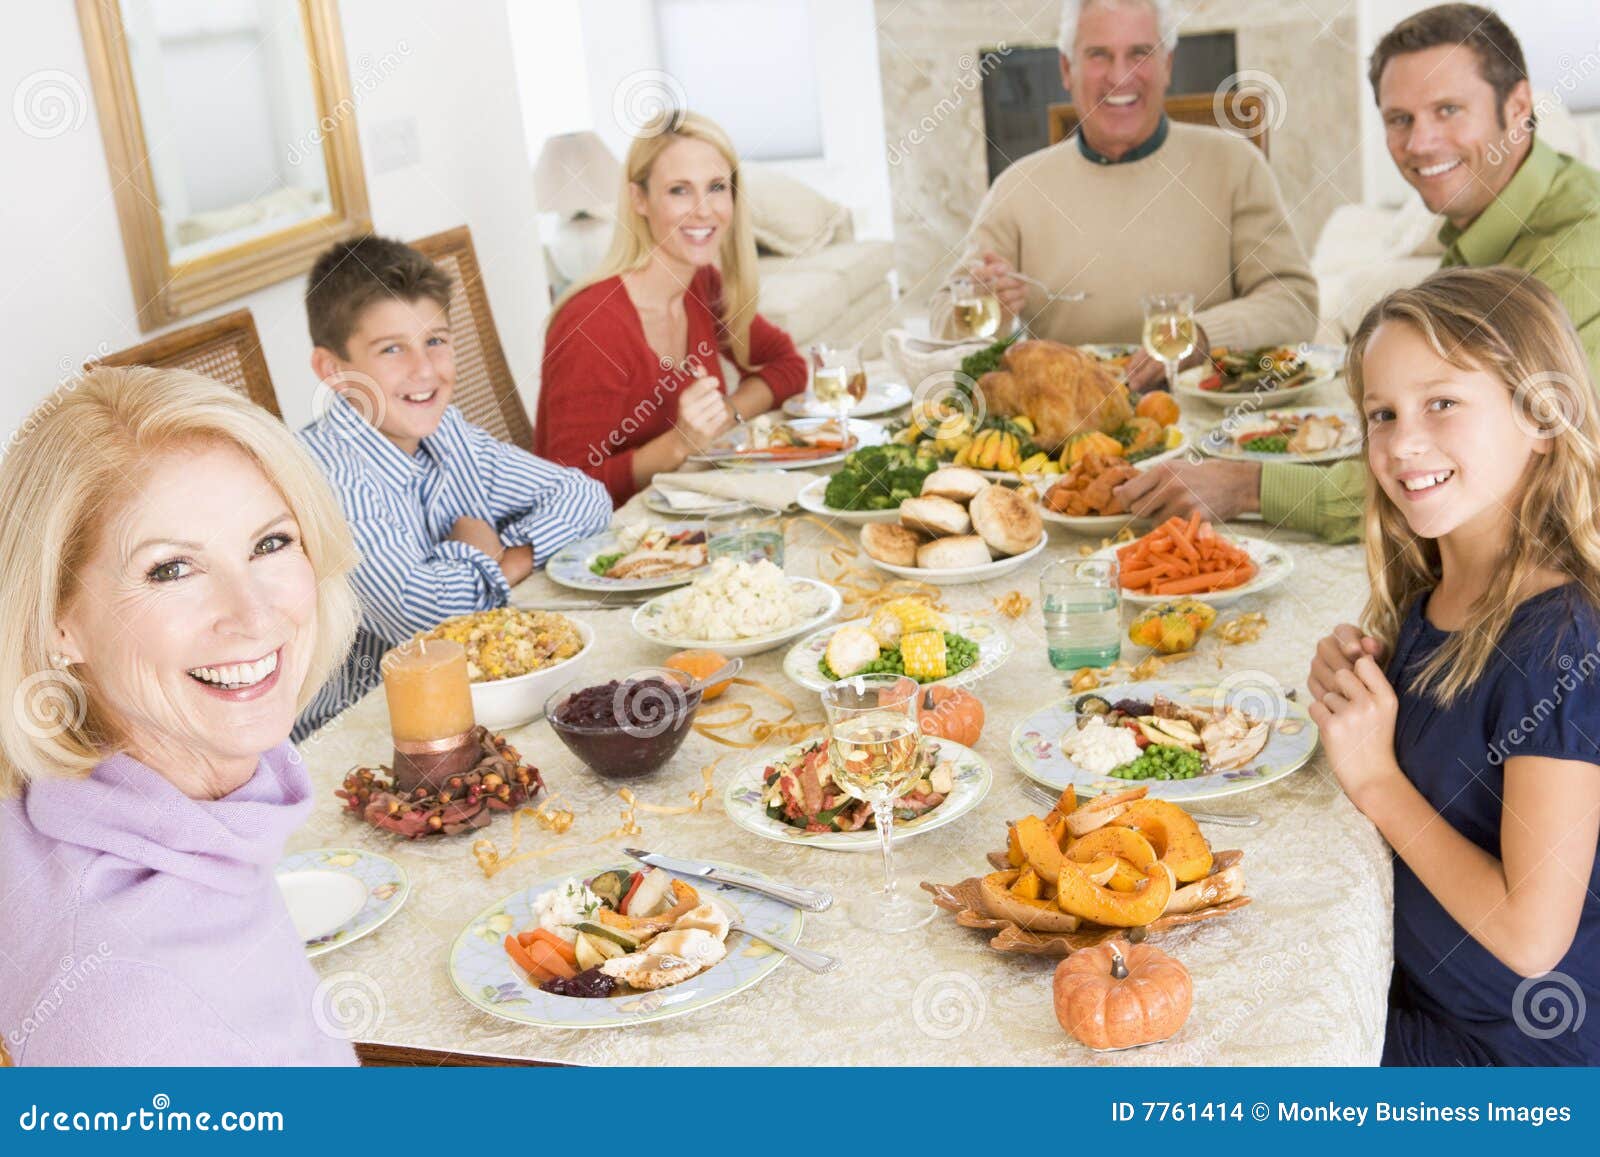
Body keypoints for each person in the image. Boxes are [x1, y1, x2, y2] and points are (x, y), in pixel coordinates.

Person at [1121, 3, 1600, 538]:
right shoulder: (1482, 225)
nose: (1420, 144)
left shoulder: (1575, 252)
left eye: (1448, 110)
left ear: (1517, 108)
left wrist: (1245, 487)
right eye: (1401, 119)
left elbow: (1490, 470)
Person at [0, 366, 364, 1065]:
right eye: (170, 569)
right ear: (57, 621)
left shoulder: (108, 810)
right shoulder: (136, 1006)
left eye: (270, 542)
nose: (255, 614)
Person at [1307, 267, 1600, 1066]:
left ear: (1542, 417)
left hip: (1511, 1067)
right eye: (1382, 413)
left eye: (1442, 403)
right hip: (1410, 988)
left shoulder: (1560, 644)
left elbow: (1532, 937)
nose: (1403, 442)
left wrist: (1377, 780)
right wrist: (1364, 693)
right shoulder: (1433, 594)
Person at [295, 236, 611, 739]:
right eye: (392, 349)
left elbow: (583, 497)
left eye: (436, 340)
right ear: (333, 371)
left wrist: (507, 557)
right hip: (359, 729)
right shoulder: (329, 479)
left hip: (472, 696)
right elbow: (425, 628)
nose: (424, 370)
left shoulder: (447, 431)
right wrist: (477, 554)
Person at [933, 0, 1317, 392]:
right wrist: (982, 309)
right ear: (1067, 69)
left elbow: (1294, 303)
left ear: (1167, 64)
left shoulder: (1236, 164)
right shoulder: (1017, 188)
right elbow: (943, 320)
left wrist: (1199, 335)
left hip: (1208, 419)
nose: (1121, 77)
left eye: (1140, 53)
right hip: (1070, 427)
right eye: (1099, 55)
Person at [537, 110, 808, 505]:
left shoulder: (702, 286)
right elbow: (565, 491)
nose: (703, 210)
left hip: (689, 511)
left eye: (716, 187)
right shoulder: (593, 327)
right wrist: (679, 443)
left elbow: (788, 366)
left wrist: (722, 417)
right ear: (639, 199)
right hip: (607, 542)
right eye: (679, 190)